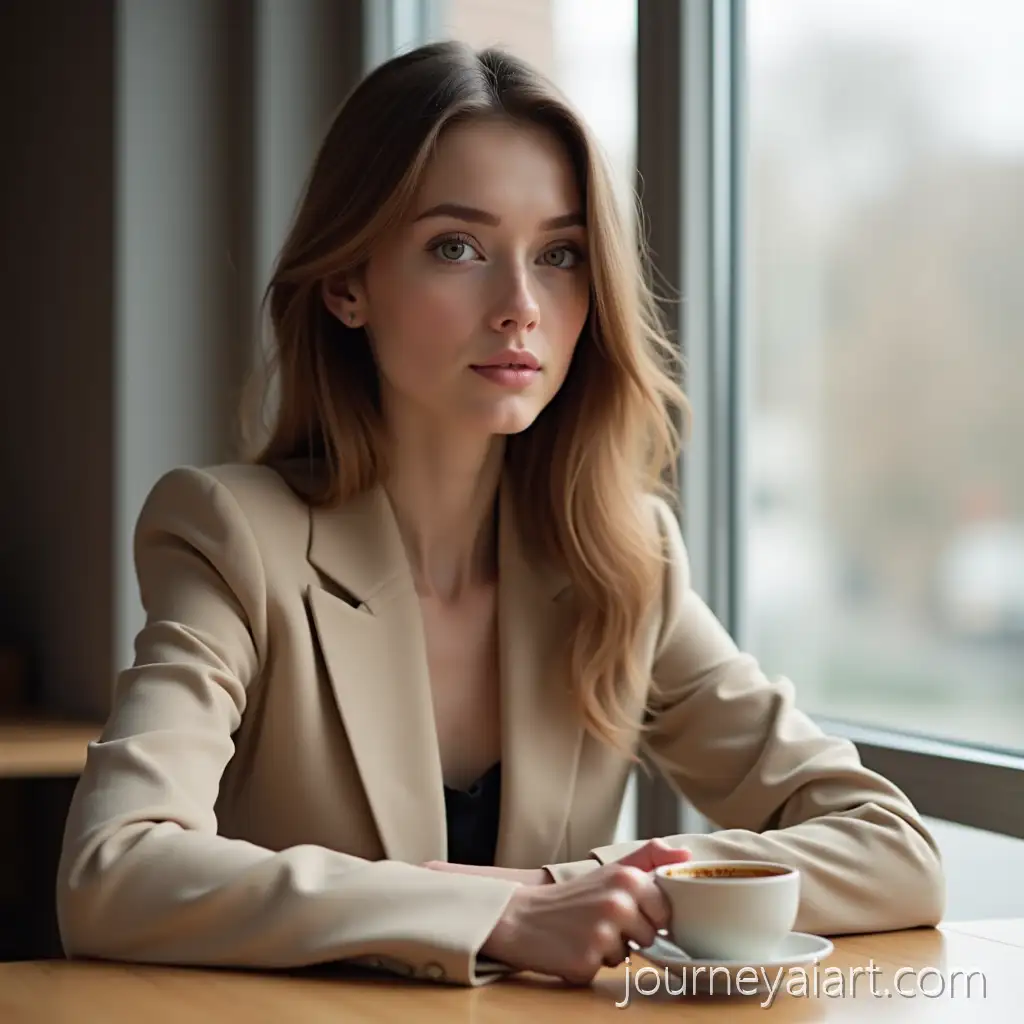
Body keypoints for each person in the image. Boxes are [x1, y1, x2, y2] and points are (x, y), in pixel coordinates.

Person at [55, 40, 944, 987]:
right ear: (347, 285)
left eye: (559, 255)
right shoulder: (233, 535)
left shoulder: (621, 557)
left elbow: (893, 849)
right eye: (457, 247)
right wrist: (504, 911)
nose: (521, 305)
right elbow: (115, 869)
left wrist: (593, 885)